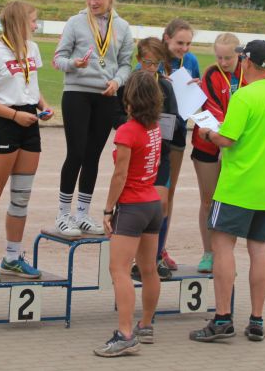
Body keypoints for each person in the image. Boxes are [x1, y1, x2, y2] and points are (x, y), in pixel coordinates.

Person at [190, 40, 265, 344]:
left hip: (238, 186)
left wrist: (207, 132)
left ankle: (223, 318)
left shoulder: (245, 96)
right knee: (259, 250)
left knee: (222, 246)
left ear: (247, 62)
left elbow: (227, 139)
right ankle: (256, 320)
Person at [0, 0, 54, 281]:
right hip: (6, 122)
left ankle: (13, 257)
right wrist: (14, 115)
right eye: (33, 20)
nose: (36, 26)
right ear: (19, 22)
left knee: (21, 196)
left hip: (29, 122)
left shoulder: (32, 49)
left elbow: (31, 85)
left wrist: (43, 105)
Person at [52, 0, 133, 236]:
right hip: (77, 93)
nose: (92, 2)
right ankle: (63, 214)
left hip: (106, 96)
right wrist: (73, 63)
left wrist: (118, 82)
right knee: (76, 152)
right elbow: (58, 59)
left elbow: (125, 64)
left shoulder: (123, 27)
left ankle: (83, 213)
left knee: (93, 156)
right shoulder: (75, 22)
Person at [94, 71, 164, 357]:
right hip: (152, 204)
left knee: (119, 270)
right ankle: (145, 325)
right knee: (148, 269)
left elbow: (119, 175)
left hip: (132, 206)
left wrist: (108, 209)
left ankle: (125, 334)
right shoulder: (155, 127)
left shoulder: (127, 130)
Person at [189, 32, 245, 273]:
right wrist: (222, 141)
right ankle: (208, 253)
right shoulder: (211, 74)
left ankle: (225, 256)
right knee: (208, 201)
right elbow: (211, 110)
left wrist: (229, 141)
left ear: (239, 55)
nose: (223, 62)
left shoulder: (247, 74)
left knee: (229, 203)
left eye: (228, 58)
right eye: (219, 57)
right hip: (208, 143)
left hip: (236, 145)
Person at [131, 37, 177, 281]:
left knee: (161, 205)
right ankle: (134, 259)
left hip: (161, 154)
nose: (152, 68)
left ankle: (154, 258)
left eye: (156, 64)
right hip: (135, 154)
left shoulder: (166, 86)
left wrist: (162, 130)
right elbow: (117, 115)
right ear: (139, 59)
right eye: (148, 62)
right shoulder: (130, 82)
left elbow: (175, 119)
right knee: (134, 208)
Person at [157, 18, 199, 270]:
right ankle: (138, 248)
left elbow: (197, 95)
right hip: (152, 132)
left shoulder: (191, 61)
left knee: (168, 193)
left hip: (177, 132)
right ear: (167, 38)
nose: (184, 48)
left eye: (188, 44)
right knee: (147, 191)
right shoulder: (152, 56)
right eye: (179, 43)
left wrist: (197, 88)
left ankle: (160, 248)